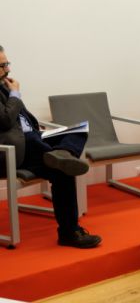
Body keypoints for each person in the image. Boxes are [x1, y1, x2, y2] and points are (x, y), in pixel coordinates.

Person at [0, 46, 101, 248]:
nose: (7, 69)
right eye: (2, 66)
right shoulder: (11, 91)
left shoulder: (3, 86)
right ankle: (69, 233)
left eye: (7, 64)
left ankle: (63, 153)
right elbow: (5, 120)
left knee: (79, 129)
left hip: (32, 140)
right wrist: (16, 94)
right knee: (62, 170)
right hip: (12, 150)